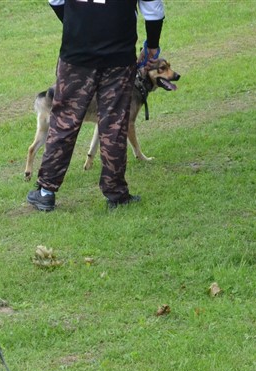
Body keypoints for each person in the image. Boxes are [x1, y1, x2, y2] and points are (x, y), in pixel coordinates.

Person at [26, 0, 166, 212]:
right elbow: (153, 9)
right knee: (115, 122)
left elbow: (56, 0)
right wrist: (153, 45)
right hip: (119, 55)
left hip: (77, 54)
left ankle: (46, 192)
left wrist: (76, 27)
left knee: (65, 121)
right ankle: (116, 193)